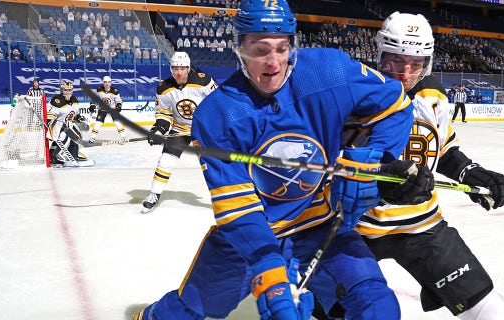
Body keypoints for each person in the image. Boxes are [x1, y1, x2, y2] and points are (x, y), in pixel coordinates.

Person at [132, 1, 432, 319]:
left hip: (321, 222)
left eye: (282, 48)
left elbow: (396, 104)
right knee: (190, 310)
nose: (274, 62)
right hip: (255, 234)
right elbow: (239, 209)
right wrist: (270, 271)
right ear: (239, 49)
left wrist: (376, 162)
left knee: (378, 305)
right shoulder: (218, 115)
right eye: (261, 50)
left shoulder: (327, 70)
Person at [313, 11, 504, 320]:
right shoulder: (350, 91)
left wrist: (471, 172)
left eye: (416, 64)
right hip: (354, 226)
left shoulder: (432, 96)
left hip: (421, 225)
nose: (405, 73)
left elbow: (440, 148)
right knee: (340, 312)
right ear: (378, 55)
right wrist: (374, 178)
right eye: (395, 61)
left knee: (492, 311)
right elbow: (323, 160)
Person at [141, 51, 218, 213]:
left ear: (188, 68)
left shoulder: (202, 81)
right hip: (180, 129)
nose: (178, 72)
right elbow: (163, 113)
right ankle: (154, 193)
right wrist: (159, 129)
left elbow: (218, 102)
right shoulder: (164, 88)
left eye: (182, 68)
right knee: (166, 160)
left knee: (214, 163)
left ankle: (224, 197)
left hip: (204, 129)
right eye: (175, 68)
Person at [48, 81, 93, 167]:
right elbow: (49, 114)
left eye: (69, 90)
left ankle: (73, 155)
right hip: (55, 124)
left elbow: (73, 115)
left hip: (66, 124)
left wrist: (79, 117)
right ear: (62, 90)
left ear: (72, 90)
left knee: (77, 134)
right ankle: (56, 155)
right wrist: (54, 119)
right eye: (65, 90)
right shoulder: (57, 100)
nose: (67, 92)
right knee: (65, 135)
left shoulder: (75, 101)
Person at [88, 76, 126, 143]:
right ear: (103, 83)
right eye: (105, 82)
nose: (107, 84)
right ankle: (92, 138)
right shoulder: (99, 89)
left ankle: (123, 137)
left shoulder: (114, 91)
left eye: (108, 82)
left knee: (117, 122)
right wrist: (92, 105)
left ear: (110, 83)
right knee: (97, 123)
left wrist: (118, 106)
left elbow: (118, 100)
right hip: (103, 109)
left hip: (112, 109)